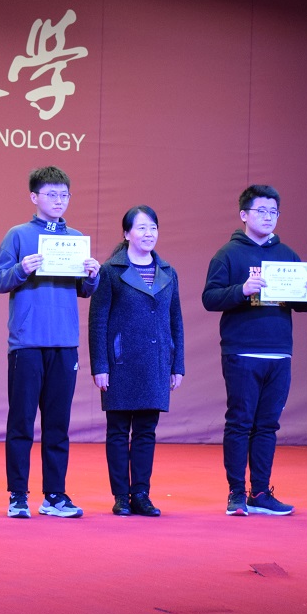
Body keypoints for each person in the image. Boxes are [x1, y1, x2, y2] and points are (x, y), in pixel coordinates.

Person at [201, 184, 307, 517]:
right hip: (242, 351)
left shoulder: (288, 255)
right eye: (261, 211)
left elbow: (300, 303)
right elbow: (210, 298)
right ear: (243, 214)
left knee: (268, 425)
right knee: (240, 422)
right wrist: (242, 289)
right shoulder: (228, 254)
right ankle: (236, 493)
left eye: (273, 212)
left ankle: (262, 493)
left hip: (280, 352)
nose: (268, 217)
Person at [0, 166, 100, 519]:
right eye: (51, 194)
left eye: (64, 195)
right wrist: (22, 269)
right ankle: (17, 495)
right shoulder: (18, 235)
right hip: (26, 342)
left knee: (58, 425)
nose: (58, 201)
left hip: (65, 342)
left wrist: (92, 275)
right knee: (21, 421)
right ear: (34, 197)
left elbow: (84, 290)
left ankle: (54, 495)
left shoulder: (75, 239)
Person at [89, 205, 185, 517]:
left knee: (146, 431)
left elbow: (176, 321)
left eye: (153, 228)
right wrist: (100, 366)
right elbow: (98, 322)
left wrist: (177, 365)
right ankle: (121, 496)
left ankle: (141, 494)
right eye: (141, 228)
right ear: (127, 233)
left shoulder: (168, 272)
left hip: (155, 362)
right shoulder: (110, 271)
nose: (148, 234)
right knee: (118, 431)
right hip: (120, 363)